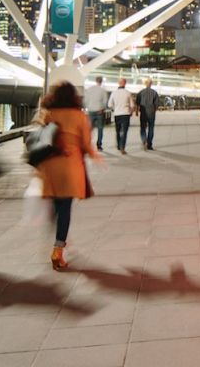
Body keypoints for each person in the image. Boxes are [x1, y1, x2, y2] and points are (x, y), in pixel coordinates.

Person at [35, 81, 101, 270]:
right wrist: (94, 155)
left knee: (55, 205)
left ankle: (56, 232)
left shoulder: (48, 114)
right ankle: (58, 247)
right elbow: (86, 144)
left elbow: (40, 138)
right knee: (65, 208)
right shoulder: (79, 116)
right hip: (70, 166)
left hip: (50, 166)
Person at [107, 78, 135, 154]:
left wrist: (114, 109)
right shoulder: (128, 93)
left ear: (118, 83)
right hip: (126, 114)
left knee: (118, 131)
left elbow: (109, 104)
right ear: (125, 83)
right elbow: (132, 105)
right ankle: (122, 147)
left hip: (117, 114)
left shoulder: (114, 93)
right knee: (124, 132)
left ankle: (119, 145)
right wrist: (131, 112)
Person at [83, 76, 108, 151]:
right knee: (100, 129)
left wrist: (87, 108)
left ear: (95, 81)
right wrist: (103, 108)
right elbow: (105, 101)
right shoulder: (103, 90)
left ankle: (88, 144)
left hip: (91, 111)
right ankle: (99, 145)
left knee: (89, 129)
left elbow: (85, 100)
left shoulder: (89, 89)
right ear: (101, 81)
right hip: (99, 111)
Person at [135, 78, 161, 150]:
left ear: (145, 84)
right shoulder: (154, 93)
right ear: (151, 84)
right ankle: (149, 144)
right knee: (151, 128)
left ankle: (144, 140)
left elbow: (137, 103)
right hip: (151, 112)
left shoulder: (140, 92)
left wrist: (137, 111)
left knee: (143, 127)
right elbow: (157, 104)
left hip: (143, 112)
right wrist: (154, 110)